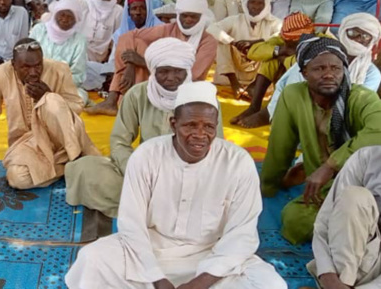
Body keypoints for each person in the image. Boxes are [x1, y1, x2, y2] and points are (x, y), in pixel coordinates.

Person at [66, 81, 286, 289]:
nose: (200, 135)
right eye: (190, 125)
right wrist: (157, 279)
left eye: (208, 127)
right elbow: (132, 225)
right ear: (173, 124)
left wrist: (199, 284)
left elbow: (242, 234)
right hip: (151, 250)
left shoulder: (237, 162)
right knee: (92, 260)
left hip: (214, 255)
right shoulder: (146, 156)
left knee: (270, 284)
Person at [261, 36, 381, 245]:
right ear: (304, 73)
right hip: (326, 183)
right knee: (295, 221)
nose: (329, 75)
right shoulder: (294, 95)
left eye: (336, 68)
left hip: (366, 181)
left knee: (300, 220)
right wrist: (267, 187)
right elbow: (281, 144)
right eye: (319, 69)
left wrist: (330, 165)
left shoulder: (360, 97)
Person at [67, 39, 223, 217]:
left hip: (190, 175)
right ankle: (162, 209)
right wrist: (136, 170)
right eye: (163, 71)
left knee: (225, 185)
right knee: (85, 168)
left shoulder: (204, 100)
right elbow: (119, 141)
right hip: (145, 171)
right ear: (153, 70)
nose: (171, 78)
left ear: (187, 71)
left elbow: (216, 148)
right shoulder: (138, 94)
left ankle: (156, 208)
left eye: (178, 71)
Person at [304, 103, 381, 289]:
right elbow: (325, 222)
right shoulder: (367, 159)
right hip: (357, 263)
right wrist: (328, 273)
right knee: (354, 197)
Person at [0, 38, 100, 189]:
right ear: (14, 65)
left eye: (38, 66)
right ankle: (66, 168)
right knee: (17, 179)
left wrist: (47, 95)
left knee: (51, 101)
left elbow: (76, 106)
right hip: (27, 143)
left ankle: (76, 159)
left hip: (62, 138)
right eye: (26, 67)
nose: (33, 72)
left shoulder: (59, 69)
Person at [88, 0, 217, 116]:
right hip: (160, 78)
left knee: (140, 54)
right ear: (178, 15)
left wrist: (144, 62)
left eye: (193, 16)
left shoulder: (208, 41)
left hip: (184, 88)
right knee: (135, 42)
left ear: (202, 17)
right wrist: (130, 65)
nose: (188, 20)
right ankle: (112, 99)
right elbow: (129, 36)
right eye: (184, 15)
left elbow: (191, 74)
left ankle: (122, 101)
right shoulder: (170, 28)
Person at [265, 12, 381, 124]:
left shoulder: (371, 73)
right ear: (343, 31)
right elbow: (291, 91)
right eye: (353, 33)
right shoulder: (315, 56)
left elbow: (356, 105)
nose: (358, 39)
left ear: (372, 40)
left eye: (365, 36)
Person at [231, 12, 315, 129]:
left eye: (292, 45)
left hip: (309, 91)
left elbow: (308, 64)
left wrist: (285, 59)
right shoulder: (284, 40)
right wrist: (279, 50)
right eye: (287, 43)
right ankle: (255, 106)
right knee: (270, 59)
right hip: (285, 83)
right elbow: (253, 52)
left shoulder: (323, 41)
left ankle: (268, 113)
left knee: (297, 68)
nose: (289, 46)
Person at [207, 0, 282, 98]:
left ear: (266, 5)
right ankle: (234, 83)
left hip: (258, 70)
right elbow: (211, 29)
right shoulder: (236, 19)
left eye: (260, 3)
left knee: (276, 48)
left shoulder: (273, 22)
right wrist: (233, 42)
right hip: (234, 68)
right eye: (252, 2)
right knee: (222, 41)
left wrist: (257, 43)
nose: (255, 7)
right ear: (246, 3)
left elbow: (282, 34)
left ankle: (256, 84)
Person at [30, 0, 88, 100]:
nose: (65, 19)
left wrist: (54, 84)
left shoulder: (80, 40)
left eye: (70, 17)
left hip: (63, 87)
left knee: (81, 97)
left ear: (76, 20)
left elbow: (78, 75)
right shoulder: (39, 30)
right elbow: (28, 59)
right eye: (62, 15)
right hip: (36, 82)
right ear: (55, 14)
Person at [79, 0, 123, 92]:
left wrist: (111, 65)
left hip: (100, 58)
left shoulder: (118, 11)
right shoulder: (85, 4)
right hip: (79, 51)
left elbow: (118, 39)